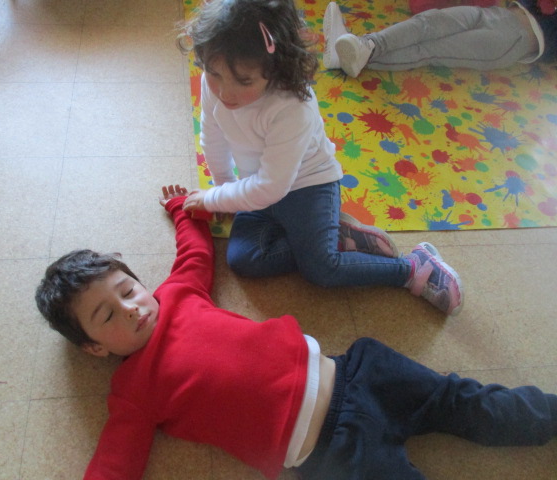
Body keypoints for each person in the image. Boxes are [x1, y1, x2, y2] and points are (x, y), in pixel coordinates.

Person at [34, 185, 557, 480]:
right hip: (332, 453)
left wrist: (184, 211)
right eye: (107, 316)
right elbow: (115, 462)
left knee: (463, 399)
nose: (130, 309)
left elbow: (193, 254)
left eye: (128, 290)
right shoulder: (133, 391)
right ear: (94, 348)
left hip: (359, 371)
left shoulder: (175, 294)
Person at [177, 0, 464, 316]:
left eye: (244, 81)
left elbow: (271, 186)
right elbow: (212, 138)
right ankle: (336, 237)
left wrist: (215, 198)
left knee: (321, 269)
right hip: (258, 188)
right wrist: (223, 187)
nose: (224, 92)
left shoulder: (291, 105)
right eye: (214, 74)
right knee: (244, 260)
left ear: (276, 68)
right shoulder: (216, 78)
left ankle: (412, 268)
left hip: (308, 187)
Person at [322, 0, 551, 78]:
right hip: (496, 12)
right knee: (429, 21)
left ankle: (347, 57)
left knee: (431, 49)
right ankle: (366, 44)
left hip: (514, 39)